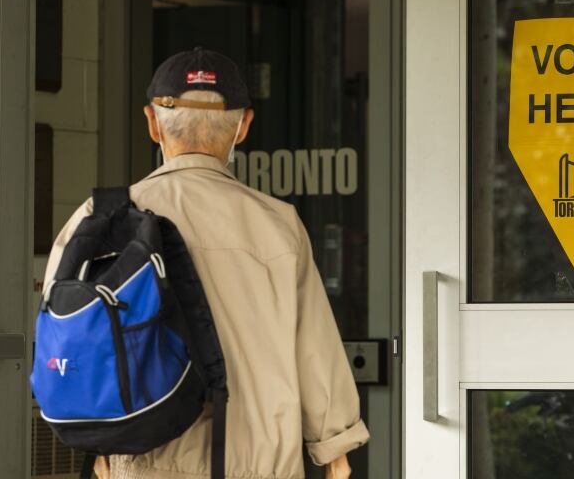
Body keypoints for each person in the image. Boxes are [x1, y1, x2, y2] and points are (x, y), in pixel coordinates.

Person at [43, 48, 369, 479]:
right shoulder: (278, 225)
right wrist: (335, 451)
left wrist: (100, 445)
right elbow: (315, 351)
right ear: (243, 126)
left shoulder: (99, 218)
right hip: (260, 467)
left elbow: (64, 338)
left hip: (142, 462)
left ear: (152, 123)